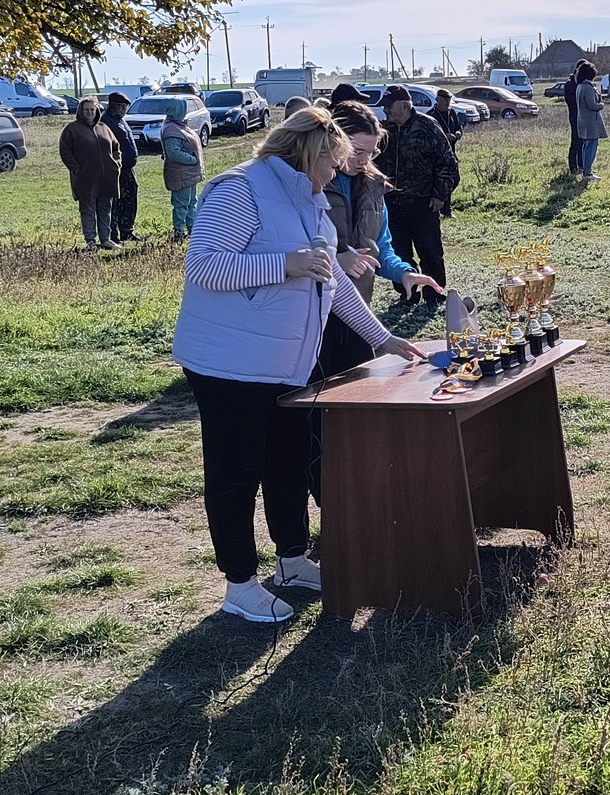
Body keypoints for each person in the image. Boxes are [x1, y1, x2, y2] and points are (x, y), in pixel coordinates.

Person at [172, 107, 427, 623]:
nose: (338, 173)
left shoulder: (309, 200)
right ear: (310, 154)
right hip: (230, 364)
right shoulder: (239, 189)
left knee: (287, 463)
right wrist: (283, 265)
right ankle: (239, 583)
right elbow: (203, 266)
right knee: (236, 471)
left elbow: (328, 282)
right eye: (334, 162)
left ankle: (291, 559)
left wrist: (382, 338)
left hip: (288, 362)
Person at [320, 102, 447, 372]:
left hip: (357, 313)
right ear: (333, 141)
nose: (364, 160)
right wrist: (335, 261)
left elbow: (381, 249)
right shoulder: (311, 184)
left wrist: (404, 273)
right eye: (356, 151)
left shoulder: (374, 186)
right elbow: (291, 248)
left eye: (371, 152)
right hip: (314, 317)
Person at [379, 85, 456, 286]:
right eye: (384, 106)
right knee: (399, 251)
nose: (386, 110)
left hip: (423, 202)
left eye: (389, 106)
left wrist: (440, 195)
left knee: (430, 251)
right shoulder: (384, 131)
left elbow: (447, 163)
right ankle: (406, 293)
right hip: (393, 203)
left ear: (405, 106)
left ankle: (435, 293)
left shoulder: (427, 126)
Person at [59, 95, 123, 250]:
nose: (89, 113)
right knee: (88, 209)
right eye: (86, 110)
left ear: (97, 110)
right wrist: (77, 170)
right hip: (85, 179)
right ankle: (90, 241)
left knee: (105, 208)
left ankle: (106, 239)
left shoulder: (104, 128)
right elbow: (65, 152)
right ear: (81, 111)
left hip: (106, 178)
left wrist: (116, 165)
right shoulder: (72, 130)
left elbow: (116, 147)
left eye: (92, 109)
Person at [159, 97, 204, 238]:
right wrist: (193, 160)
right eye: (183, 108)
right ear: (177, 110)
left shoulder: (179, 125)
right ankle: (179, 231)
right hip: (181, 173)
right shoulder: (171, 129)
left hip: (189, 173)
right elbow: (173, 153)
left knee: (191, 202)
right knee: (181, 204)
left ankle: (192, 229)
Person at [103, 91, 142, 243]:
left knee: (129, 199)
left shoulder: (120, 120)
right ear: (118, 106)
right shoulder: (105, 122)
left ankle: (127, 231)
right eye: (125, 106)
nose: (126, 109)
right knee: (115, 202)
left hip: (127, 169)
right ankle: (113, 234)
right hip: (115, 170)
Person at [574, 68, 609, 182]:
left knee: (586, 145)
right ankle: (588, 172)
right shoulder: (588, 87)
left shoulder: (579, 86)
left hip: (583, 120)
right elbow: (593, 105)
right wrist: (601, 105)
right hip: (590, 121)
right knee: (591, 146)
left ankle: (586, 170)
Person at [564, 58, 588, 177]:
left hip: (583, 116)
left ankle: (582, 166)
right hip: (575, 116)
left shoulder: (582, 83)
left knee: (583, 142)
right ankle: (573, 167)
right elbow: (571, 101)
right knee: (575, 142)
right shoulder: (570, 84)